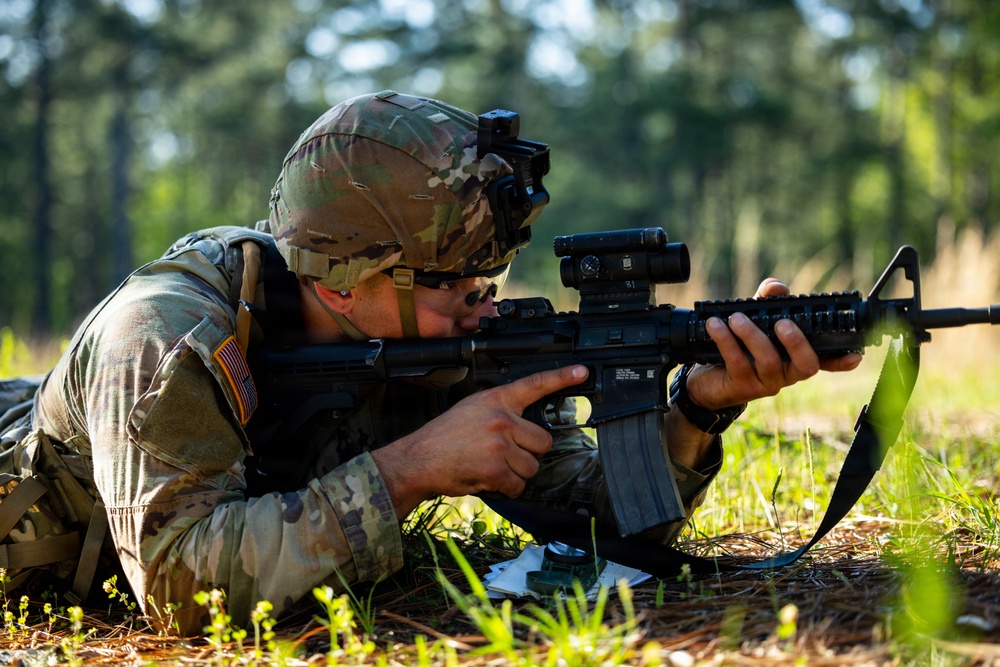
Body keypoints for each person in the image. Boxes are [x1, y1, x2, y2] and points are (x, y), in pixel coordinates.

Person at [1, 91, 860, 634]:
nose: (486, 300)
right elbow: (181, 590)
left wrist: (696, 410)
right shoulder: (163, 339)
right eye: (458, 280)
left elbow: (596, 519)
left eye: (495, 274)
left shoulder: (454, 338)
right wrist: (412, 468)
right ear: (343, 284)